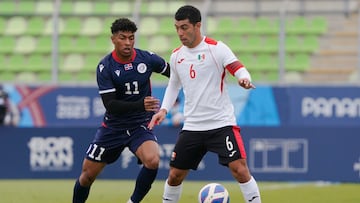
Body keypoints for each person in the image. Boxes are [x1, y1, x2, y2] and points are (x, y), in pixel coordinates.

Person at [148, 5, 261, 203]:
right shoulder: (176, 56)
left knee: (240, 169)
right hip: (193, 126)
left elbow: (238, 67)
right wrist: (164, 109)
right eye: (177, 28)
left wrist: (243, 78)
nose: (180, 33)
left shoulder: (216, 48)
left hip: (221, 124)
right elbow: (173, 85)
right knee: (174, 175)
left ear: (197, 25)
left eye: (184, 27)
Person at [72, 18, 170, 203]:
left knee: (153, 160)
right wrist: (140, 104)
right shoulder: (105, 67)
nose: (127, 43)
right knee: (87, 176)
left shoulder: (147, 59)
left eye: (131, 38)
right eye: (123, 38)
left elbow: (174, 74)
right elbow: (111, 105)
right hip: (113, 128)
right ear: (113, 39)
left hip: (139, 125)